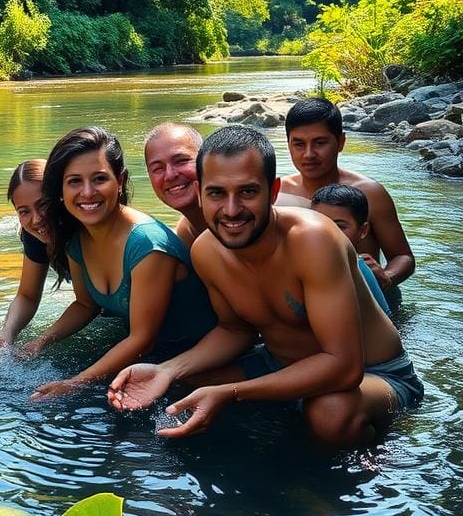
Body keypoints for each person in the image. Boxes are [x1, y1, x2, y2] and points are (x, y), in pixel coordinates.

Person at [107, 125, 423, 448]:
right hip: (278, 363)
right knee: (177, 388)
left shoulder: (313, 240)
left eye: (247, 192)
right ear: (200, 192)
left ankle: (376, 460)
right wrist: (168, 370)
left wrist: (231, 393)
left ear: (272, 192)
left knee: (330, 412)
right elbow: (235, 330)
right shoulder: (204, 250)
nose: (231, 210)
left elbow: (344, 367)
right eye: (217, 193)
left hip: (376, 374)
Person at [26, 126, 217, 400]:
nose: (88, 192)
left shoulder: (147, 244)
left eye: (99, 178)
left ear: (120, 179)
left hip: (191, 361)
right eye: (74, 181)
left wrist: (74, 383)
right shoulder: (76, 238)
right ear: (61, 189)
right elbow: (85, 304)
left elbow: (142, 338)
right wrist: (40, 343)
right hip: (148, 359)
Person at [278, 98, 414, 307]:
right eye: (299, 144)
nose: (309, 154)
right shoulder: (278, 194)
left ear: (340, 142)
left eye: (320, 143)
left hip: (369, 302)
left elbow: (403, 256)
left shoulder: (370, 193)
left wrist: (387, 276)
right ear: (288, 145)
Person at [0, 160, 56, 352]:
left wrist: (42, 341)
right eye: (24, 211)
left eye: (43, 205)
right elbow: (27, 295)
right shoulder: (34, 234)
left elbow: (86, 304)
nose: (37, 219)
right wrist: (6, 335)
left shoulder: (85, 230)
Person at [310, 184, 391, 318]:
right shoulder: (302, 261)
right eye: (320, 223)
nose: (327, 232)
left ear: (363, 230)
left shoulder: (360, 270)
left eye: (340, 226)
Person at [143, 123, 206, 247]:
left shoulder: (238, 220)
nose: (170, 175)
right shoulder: (186, 233)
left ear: (207, 160)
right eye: (157, 168)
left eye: (181, 161)